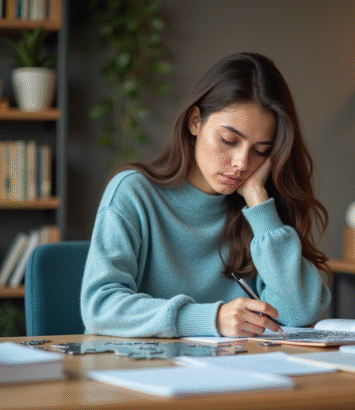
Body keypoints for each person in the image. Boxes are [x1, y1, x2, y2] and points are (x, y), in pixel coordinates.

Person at [81, 52, 331, 338]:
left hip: (233, 374)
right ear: (195, 121)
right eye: (229, 140)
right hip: (139, 373)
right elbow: (100, 307)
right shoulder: (133, 193)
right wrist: (209, 319)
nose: (241, 163)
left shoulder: (258, 213)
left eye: (260, 150)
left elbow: (297, 314)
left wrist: (259, 206)